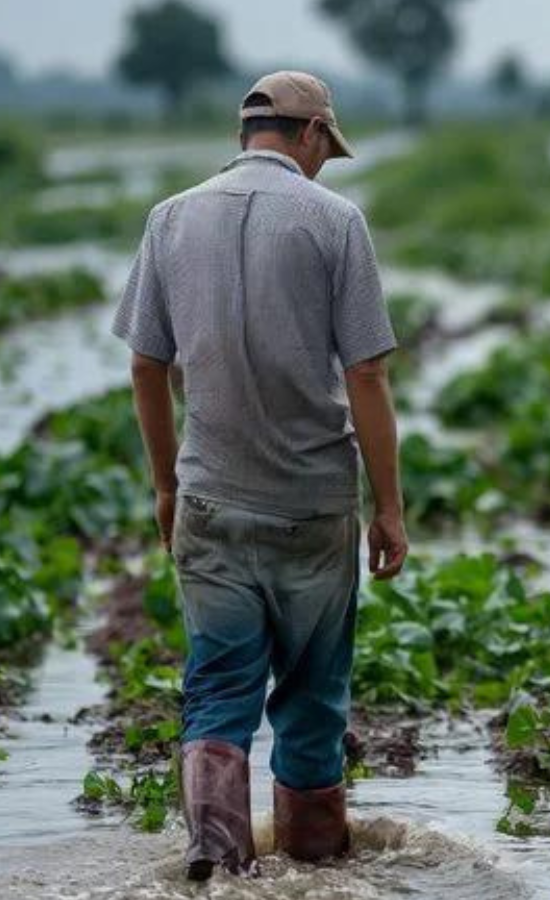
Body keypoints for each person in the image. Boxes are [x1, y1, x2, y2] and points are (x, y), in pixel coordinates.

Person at [111, 70, 408, 881]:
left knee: (218, 688)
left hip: (208, 500)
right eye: (325, 149)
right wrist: (389, 508)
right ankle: (313, 870)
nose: (324, 163)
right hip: (312, 509)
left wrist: (168, 486)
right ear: (311, 135)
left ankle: (215, 858)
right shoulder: (335, 221)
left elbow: (145, 365)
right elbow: (369, 377)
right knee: (313, 697)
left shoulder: (169, 218)